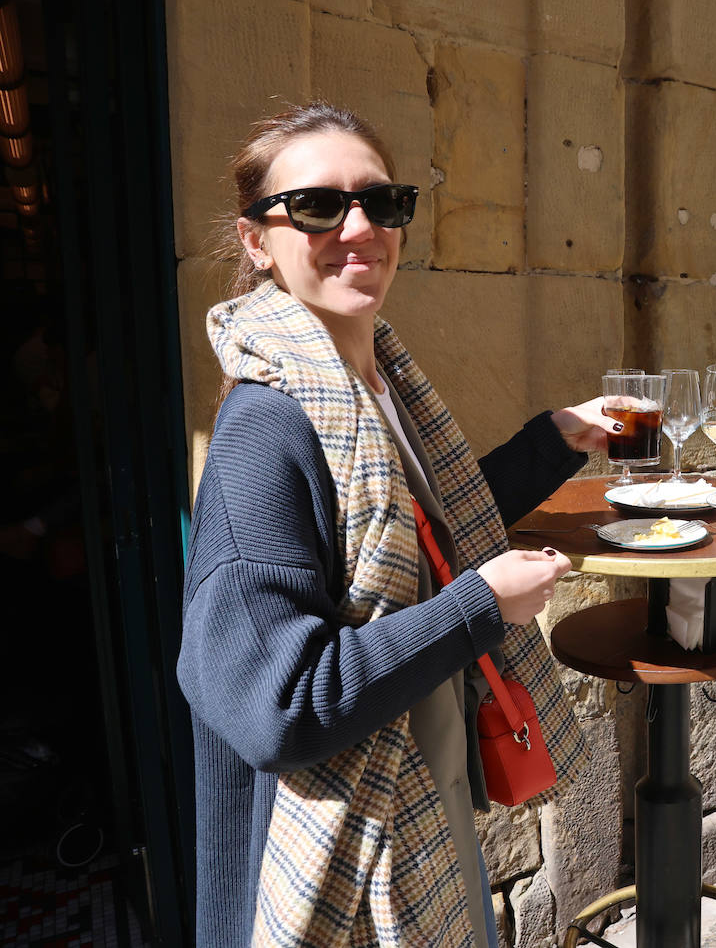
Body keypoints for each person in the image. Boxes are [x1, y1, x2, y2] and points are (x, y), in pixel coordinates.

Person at [178, 102, 618, 948]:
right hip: (337, 854)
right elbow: (278, 704)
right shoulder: (265, 435)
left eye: (382, 203)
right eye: (316, 206)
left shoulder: (368, 380)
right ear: (255, 239)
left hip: (415, 784)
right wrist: (480, 606)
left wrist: (556, 439)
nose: (359, 228)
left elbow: (423, 528)